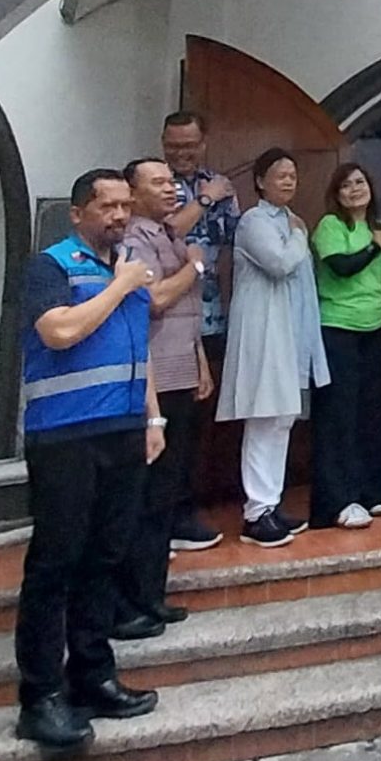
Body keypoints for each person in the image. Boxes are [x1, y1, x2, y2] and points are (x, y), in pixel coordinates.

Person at [13, 169, 191, 751]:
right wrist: (118, 287)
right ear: (78, 212)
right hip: (65, 434)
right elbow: (58, 332)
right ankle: (40, 696)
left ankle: (93, 676)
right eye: (105, 206)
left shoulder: (128, 269)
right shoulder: (53, 266)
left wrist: (154, 419)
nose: (117, 216)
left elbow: (135, 350)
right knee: (55, 564)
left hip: (123, 430)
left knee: (104, 558)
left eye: (122, 206)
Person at [112, 157, 211, 642]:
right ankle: (130, 600)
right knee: (147, 496)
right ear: (132, 193)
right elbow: (154, 301)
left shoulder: (166, 234)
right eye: (159, 182)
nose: (172, 188)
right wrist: (193, 266)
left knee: (166, 493)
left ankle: (151, 595)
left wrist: (200, 361)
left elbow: (184, 314)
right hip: (153, 383)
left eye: (172, 181)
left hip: (180, 372)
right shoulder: (136, 239)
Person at [219, 149, 331, 545]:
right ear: (260, 181)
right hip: (264, 328)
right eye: (279, 174)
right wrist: (301, 233)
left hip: (289, 329)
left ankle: (270, 501)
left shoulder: (286, 219)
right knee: (264, 418)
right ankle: (255, 511)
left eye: (293, 175)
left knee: (282, 418)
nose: (288, 181)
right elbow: (279, 262)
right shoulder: (253, 220)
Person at [159, 111, 238, 553]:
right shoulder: (153, 182)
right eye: (174, 145)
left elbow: (233, 239)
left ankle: (189, 508)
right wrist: (204, 201)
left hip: (210, 317)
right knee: (165, 422)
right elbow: (167, 232)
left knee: (196, 423)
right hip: (164, 320)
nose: (182, 153)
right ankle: (164, 515)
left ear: (203, 142)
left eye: (189, 145)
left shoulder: (221, 183)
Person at [310, 163, 381, 530]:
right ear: (336, 193)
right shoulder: (330, 226)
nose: (354, 189)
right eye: (345, 185)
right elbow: (343, 267)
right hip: (337, 329)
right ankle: (338, 499)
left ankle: (372, 490)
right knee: (339, 416)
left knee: (372, 414)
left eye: (360, 182)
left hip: (375, 329)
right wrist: (375, 248)